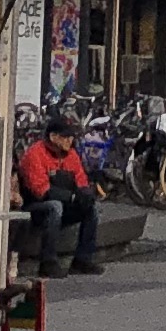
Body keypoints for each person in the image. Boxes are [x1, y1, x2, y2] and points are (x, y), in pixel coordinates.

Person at [17, 112, 103, 277]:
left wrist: (86, 194)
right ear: (53, 136)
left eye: (71, 137)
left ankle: (82, 259)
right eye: (66, 137)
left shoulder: (71, 155)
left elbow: (81, 180)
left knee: (91, 209)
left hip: (64, 205)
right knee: (54, 207)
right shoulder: (35, 154)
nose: (70, 141)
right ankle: (47, 261)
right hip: (36, 207)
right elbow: (40, 190)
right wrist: (71, 197)